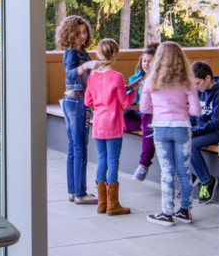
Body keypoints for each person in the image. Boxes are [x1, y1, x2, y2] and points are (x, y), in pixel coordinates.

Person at [139, 42, 200, 226]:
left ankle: (167, 213)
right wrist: (182, 109)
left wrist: (158, 109)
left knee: (167, 171)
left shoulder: (152, 79)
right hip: (182, 127)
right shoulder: (187, 80)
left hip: (161, 128)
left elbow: (143, 108)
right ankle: (185, 211)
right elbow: (196, 110)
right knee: (184, 170)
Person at [83, 38, 133, 216]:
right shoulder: (117, 77)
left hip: (98, 122)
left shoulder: (92, 76)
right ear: (115, 55)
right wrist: (132, 91)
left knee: (102, 159)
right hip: (113, 123)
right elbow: (125, 103)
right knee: (113, 161)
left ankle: (102, 203)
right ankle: (113, 204)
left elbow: (88, 101)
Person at [56, 14, 97, 205]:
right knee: (80, 147)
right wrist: (87, 66)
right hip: (76, 102)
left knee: (74, 148)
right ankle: (81, 193)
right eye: (78, 33)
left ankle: (73, 191)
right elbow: (71, 75)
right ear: (70, 34)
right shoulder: (72, 53)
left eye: (84, 32)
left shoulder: (82, 51)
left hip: (73, 101)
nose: (82, 36)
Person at [188, 61, 219, 202]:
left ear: (208, 78)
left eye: (197, 83)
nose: (195, 87)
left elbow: (216, 122)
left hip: (217, 131)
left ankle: (206, 181)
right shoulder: (199, 91)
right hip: (201, 130)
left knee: (190, 145)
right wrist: (189, 128)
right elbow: (193, 114)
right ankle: (193, 174)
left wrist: (194, 132)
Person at [124, 43, 158, 180]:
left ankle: (144, 165)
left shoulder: (159, 80)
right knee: (117, 119)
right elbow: (130, 100)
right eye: (144, 61)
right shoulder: (137, 79)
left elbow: (150, 107)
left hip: (151, 114)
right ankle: (146, 128)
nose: (146, 64)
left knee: (147, 118)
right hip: (137, 113)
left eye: (150, 61)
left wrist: (136, 107)